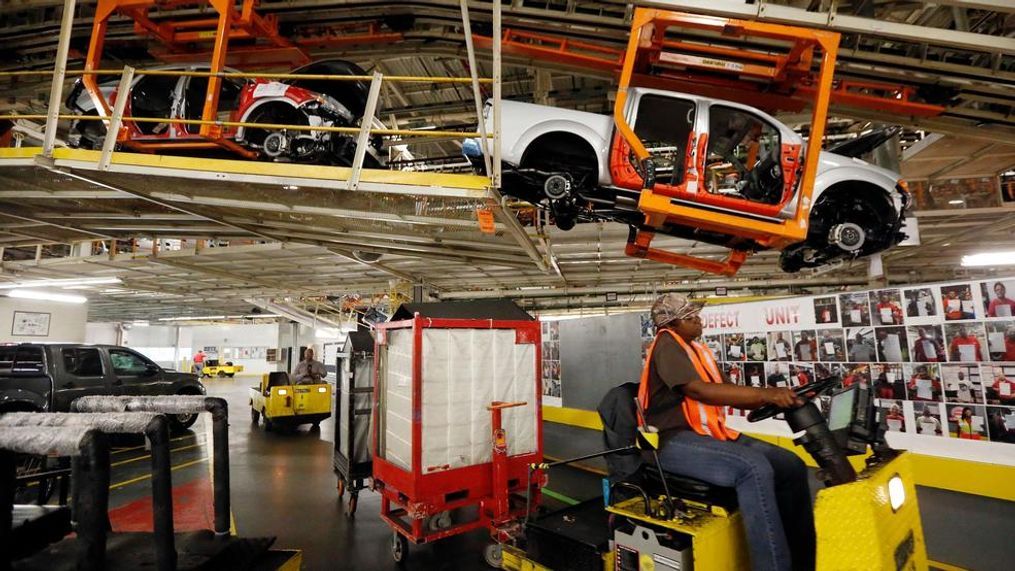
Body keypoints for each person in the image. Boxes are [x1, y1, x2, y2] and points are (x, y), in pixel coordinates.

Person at [639, 293, 814, 571]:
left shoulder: (697, 351)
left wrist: (775, 397)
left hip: (707, 434)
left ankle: (802, 563)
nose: (698, 319)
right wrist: (766, 395)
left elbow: (727, 392)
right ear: (671, 323)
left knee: (790, 465)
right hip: (670, 441)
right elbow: (698, 390)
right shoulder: (667, 345)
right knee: (753, 468)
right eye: (689, 316)